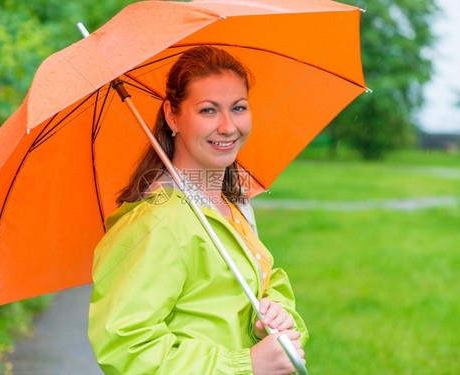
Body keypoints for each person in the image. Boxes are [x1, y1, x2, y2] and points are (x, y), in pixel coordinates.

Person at [88, 45, 308, 375]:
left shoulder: (234, 205)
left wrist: (276, 313)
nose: (227, 126)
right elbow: (127, 346)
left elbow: (259, 282)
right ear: (172, 115)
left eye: (238, 108)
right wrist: (245, 365)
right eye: (208, 110)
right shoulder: (156, 222)